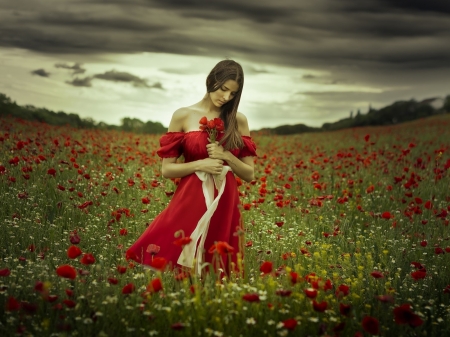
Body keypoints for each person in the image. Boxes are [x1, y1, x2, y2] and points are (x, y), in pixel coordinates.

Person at [126, 59, 257, 277]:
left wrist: (226, 156)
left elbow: (249, 174)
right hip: (191, 195)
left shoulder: (238, 121)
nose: (225, 97)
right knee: (180, 253)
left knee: (216, 260)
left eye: (233, 94)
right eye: (224, 89)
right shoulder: (183, 115)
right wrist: (201, 164)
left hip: (225, 197)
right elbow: (167, 170)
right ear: (212, 80)